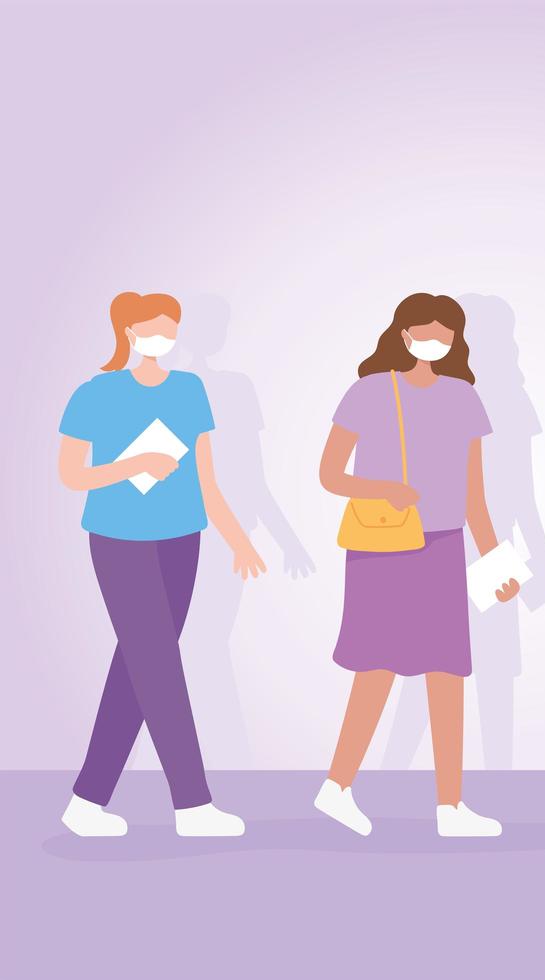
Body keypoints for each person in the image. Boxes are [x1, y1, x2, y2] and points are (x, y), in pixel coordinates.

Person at [57, 291, 266, 837]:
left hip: (182, 538)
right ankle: (193, 804)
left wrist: (237, 538)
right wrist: (132, 465)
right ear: (128, 331)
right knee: (159, 666)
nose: (165, 337)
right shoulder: (95, 393)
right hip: (118, 538)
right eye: (154, 327)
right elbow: (72, 475)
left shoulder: (190, 390)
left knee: (139, 667)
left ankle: (86, 800)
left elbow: (207, 478)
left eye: (171, 327)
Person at [316, 293, 519, 837]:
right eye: (424, 331)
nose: (434, 341)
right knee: (376, 667)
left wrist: (497, 562)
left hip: (443, 545)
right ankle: (336, 787)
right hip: (381, 545)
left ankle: (450, 807)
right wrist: (383, 488)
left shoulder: (464, 397)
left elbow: (475, 493)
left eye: (445, 334)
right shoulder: (367, 391)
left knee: (446, 671)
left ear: (455, 340)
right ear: (402, 334)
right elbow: (330, 475)